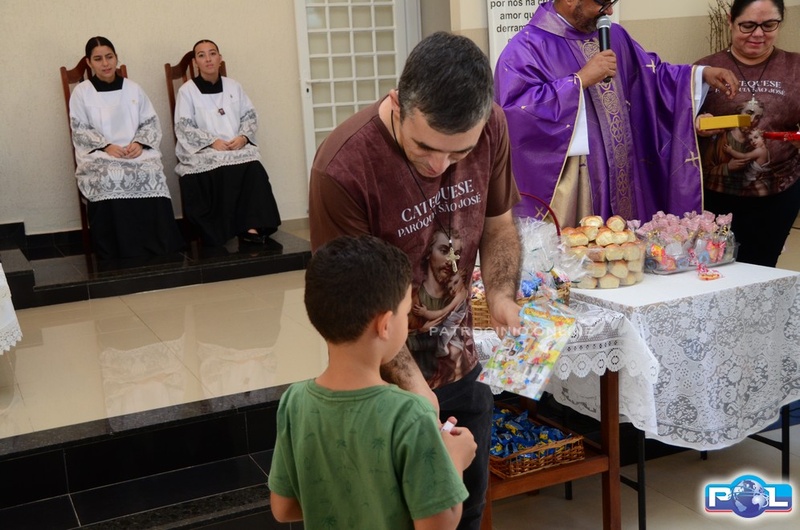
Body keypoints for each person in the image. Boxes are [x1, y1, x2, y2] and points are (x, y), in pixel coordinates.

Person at [308, 32, 523, 530]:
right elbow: (354, 307)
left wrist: (500, 295)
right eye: (424, 147)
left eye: (458, 153)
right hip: (380, 386)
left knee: (467, 509)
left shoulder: (492, 125)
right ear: (397, 103)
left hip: (462, 363)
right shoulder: (344, 167)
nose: (439, 166)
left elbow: (498, 225)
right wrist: (413, 386)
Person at [268, 235, 477, 530]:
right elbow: (438, 525)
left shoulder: (295, 402)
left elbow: (283, 507)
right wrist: (455, 459)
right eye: (407, 312)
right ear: (385, 324)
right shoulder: (410, 414)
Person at [494, 0, 739, 227]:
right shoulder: (526, 48)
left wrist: (700, 75)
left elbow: (652, 77)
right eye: (602, 3)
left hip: (626, 174)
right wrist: (579, 81)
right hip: (579, 187)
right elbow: (515, 112)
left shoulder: (615, 35)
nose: (609, 11)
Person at [696, 0, 800, 267]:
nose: (758, 34)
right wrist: (696, 124)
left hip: (778, 195)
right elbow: (673, 129)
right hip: (714, 196)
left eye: (769, 25)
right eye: (748, 25)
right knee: (712, 268)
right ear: (730, 20)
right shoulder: (706, 69)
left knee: (762, 268)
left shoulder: (795, 67)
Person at [70, 36, 184, 260]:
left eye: (109, 57)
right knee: (108, 175)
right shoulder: (82, 92)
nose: (105, 63)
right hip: (101, 155)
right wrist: (106, 146)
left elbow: (150, 122)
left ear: (116, 58)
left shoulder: (133, 89)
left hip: (134, 151)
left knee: (151, 171)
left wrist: (140, 143)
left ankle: (157, 245)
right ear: (89, 62)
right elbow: (80, 128)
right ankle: (117, 249)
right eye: (98, 59)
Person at [174, 39, 281, 247]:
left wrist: (243, 137)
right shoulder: (187, 91)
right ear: (196, 62)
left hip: (235, 145)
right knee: (218, 167)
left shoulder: (234, 86)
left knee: (253, 166)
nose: (208, 59)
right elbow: (183, 126)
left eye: (212, 53)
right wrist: (211, 142)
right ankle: (220, 231)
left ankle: (251, 227)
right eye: (202, 55)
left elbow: (249, 115)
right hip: (204, 149)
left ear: (220, 58)